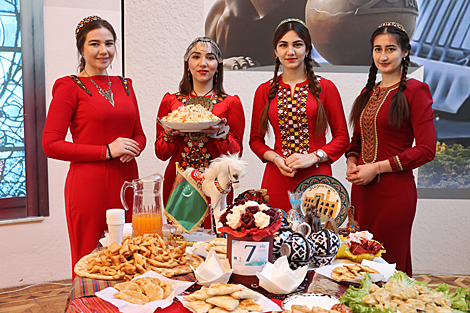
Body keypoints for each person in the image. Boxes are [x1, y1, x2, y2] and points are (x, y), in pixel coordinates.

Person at [42, 16, 146, 274]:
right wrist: (107, 150)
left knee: (129, 257)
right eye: (94, 44)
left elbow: (139, 134)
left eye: (109, 43)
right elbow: (51, 144)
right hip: (88, 186)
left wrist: (135, 147)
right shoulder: (68, 87)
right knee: (90, 260)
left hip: (127, 182)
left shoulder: (125, 85)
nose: (103, 51)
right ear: (81, 48)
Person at [345, 22, 436, 276]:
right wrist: (352, 163)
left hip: (394, 193)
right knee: (360, 265)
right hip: (362, 192)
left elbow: (427, 149)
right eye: (377, 49)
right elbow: (356, 141)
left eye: (391, 49)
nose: (383, 56)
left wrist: (376, 168)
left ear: (405, 52)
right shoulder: (368, 92)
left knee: (389, 265)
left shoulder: (416, 91)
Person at [249, 19, 349, 212]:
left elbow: (342, 138)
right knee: (275, 236)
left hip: (317, 179)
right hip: (277, 176)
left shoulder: (326, 88)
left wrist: (314, 157)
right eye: (283, 45)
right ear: (275, 51)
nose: (290, 52)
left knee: (316, 238)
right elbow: (255, 140)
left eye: (297, 45)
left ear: (307, 49)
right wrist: (277, 159)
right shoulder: (264, 90)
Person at [155, 37, 245, 227]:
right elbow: (161, 153)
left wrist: (221, 135)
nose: (203, 63)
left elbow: (237, 153)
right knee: (179, 242)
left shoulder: (230, 103)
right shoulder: (171, 102)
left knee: (216, 237)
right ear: (187, 64)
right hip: (178, 181)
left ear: (218, 66)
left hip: (216, 182)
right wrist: (170, 134)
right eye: (196, 57)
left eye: (210, 57)